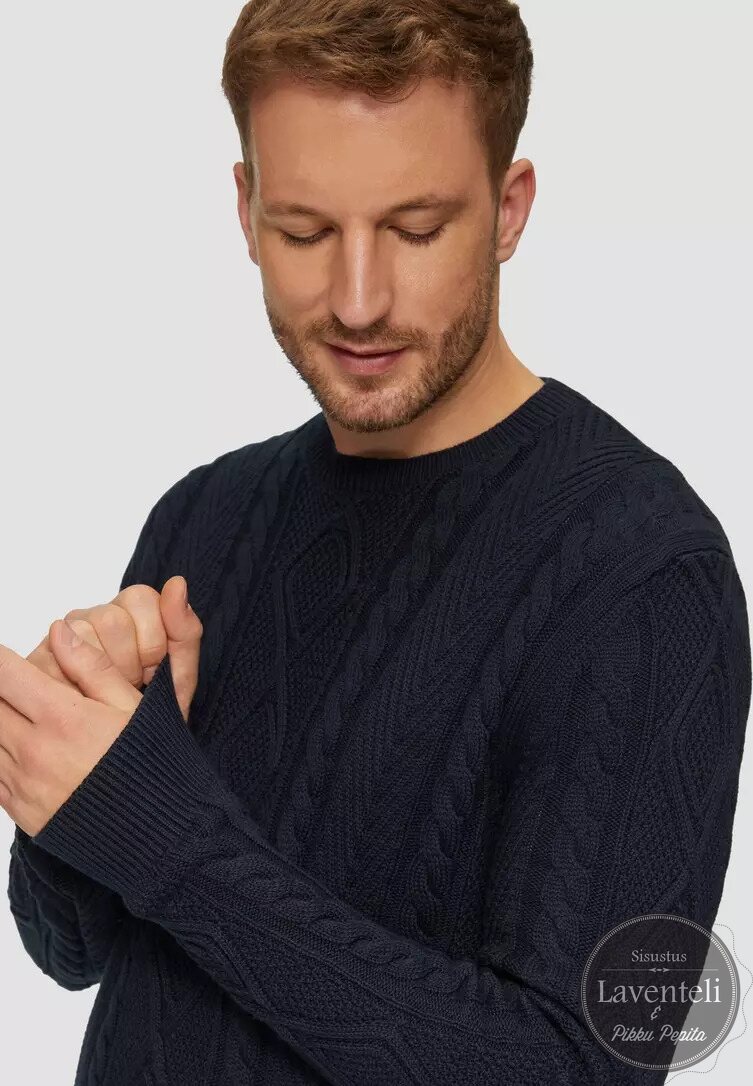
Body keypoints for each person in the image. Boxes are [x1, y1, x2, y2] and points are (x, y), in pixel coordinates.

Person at [5, 2, 750, 1083]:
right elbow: (70, 951)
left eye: (415, 229)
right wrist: (74, 786)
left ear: (508, 209)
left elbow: (585, 1070)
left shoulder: (643, 574)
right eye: (305, 232)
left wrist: (161, 828)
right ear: (245, 209)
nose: (358, 301)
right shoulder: (202, 514)